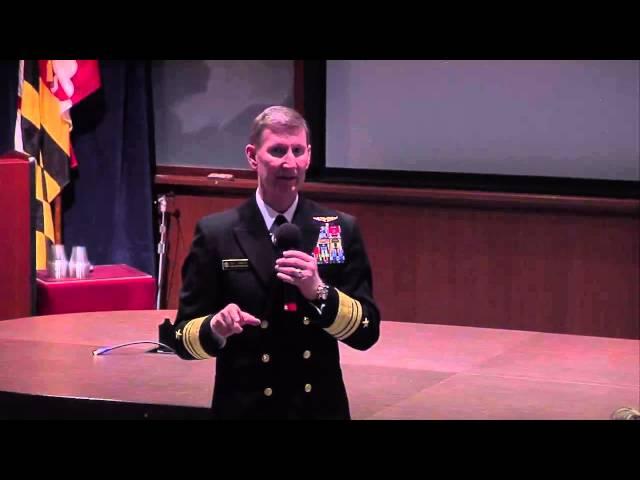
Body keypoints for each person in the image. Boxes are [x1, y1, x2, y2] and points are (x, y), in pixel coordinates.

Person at [171, 105, 380, 419]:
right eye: (278, 150)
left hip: (318, 409)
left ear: (309, 155)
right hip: (245, 410)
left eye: (298, 151)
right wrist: (215, 328)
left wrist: (319, 292)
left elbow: (367, 332)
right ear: (253, 156)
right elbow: (181, 339)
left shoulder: (335, 228)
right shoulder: (217, 233)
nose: (289, 163)